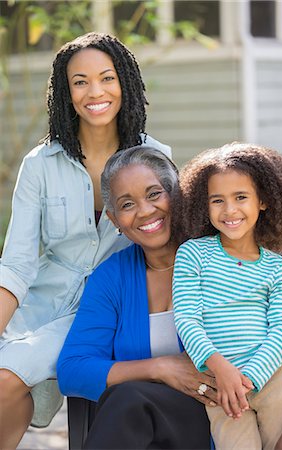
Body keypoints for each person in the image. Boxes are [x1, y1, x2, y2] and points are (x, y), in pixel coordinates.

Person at [0, 32, 172, 450]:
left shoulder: (154, 158)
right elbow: (18, 262)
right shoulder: (40, 164)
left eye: (106, 78)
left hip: (108, 309)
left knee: (5, 377)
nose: (95, 92)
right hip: (39, 306)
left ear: (124, 83)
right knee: (9, 385)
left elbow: (166, 246)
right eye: (80, 81)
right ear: (66, 91)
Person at [57, 146, 218, 450]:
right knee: (131, 401)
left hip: (225, 419)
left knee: (130, 400)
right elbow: (73, 369)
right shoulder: (112, 277)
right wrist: (161, 368)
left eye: (155, 194)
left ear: (179, 193)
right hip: (148, 426)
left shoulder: (222, 257)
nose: (144, 211)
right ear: (114, 220)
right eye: (127, 204)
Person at [172, 142, 282, 450]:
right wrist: (221, 369)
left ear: (264, 201)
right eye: (218, 200)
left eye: (240, 197)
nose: (229, 210)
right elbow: (187, 319)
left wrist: (249, 379)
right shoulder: (193, 254)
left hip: (272, 376)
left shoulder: (279, 268)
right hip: (218, 383)